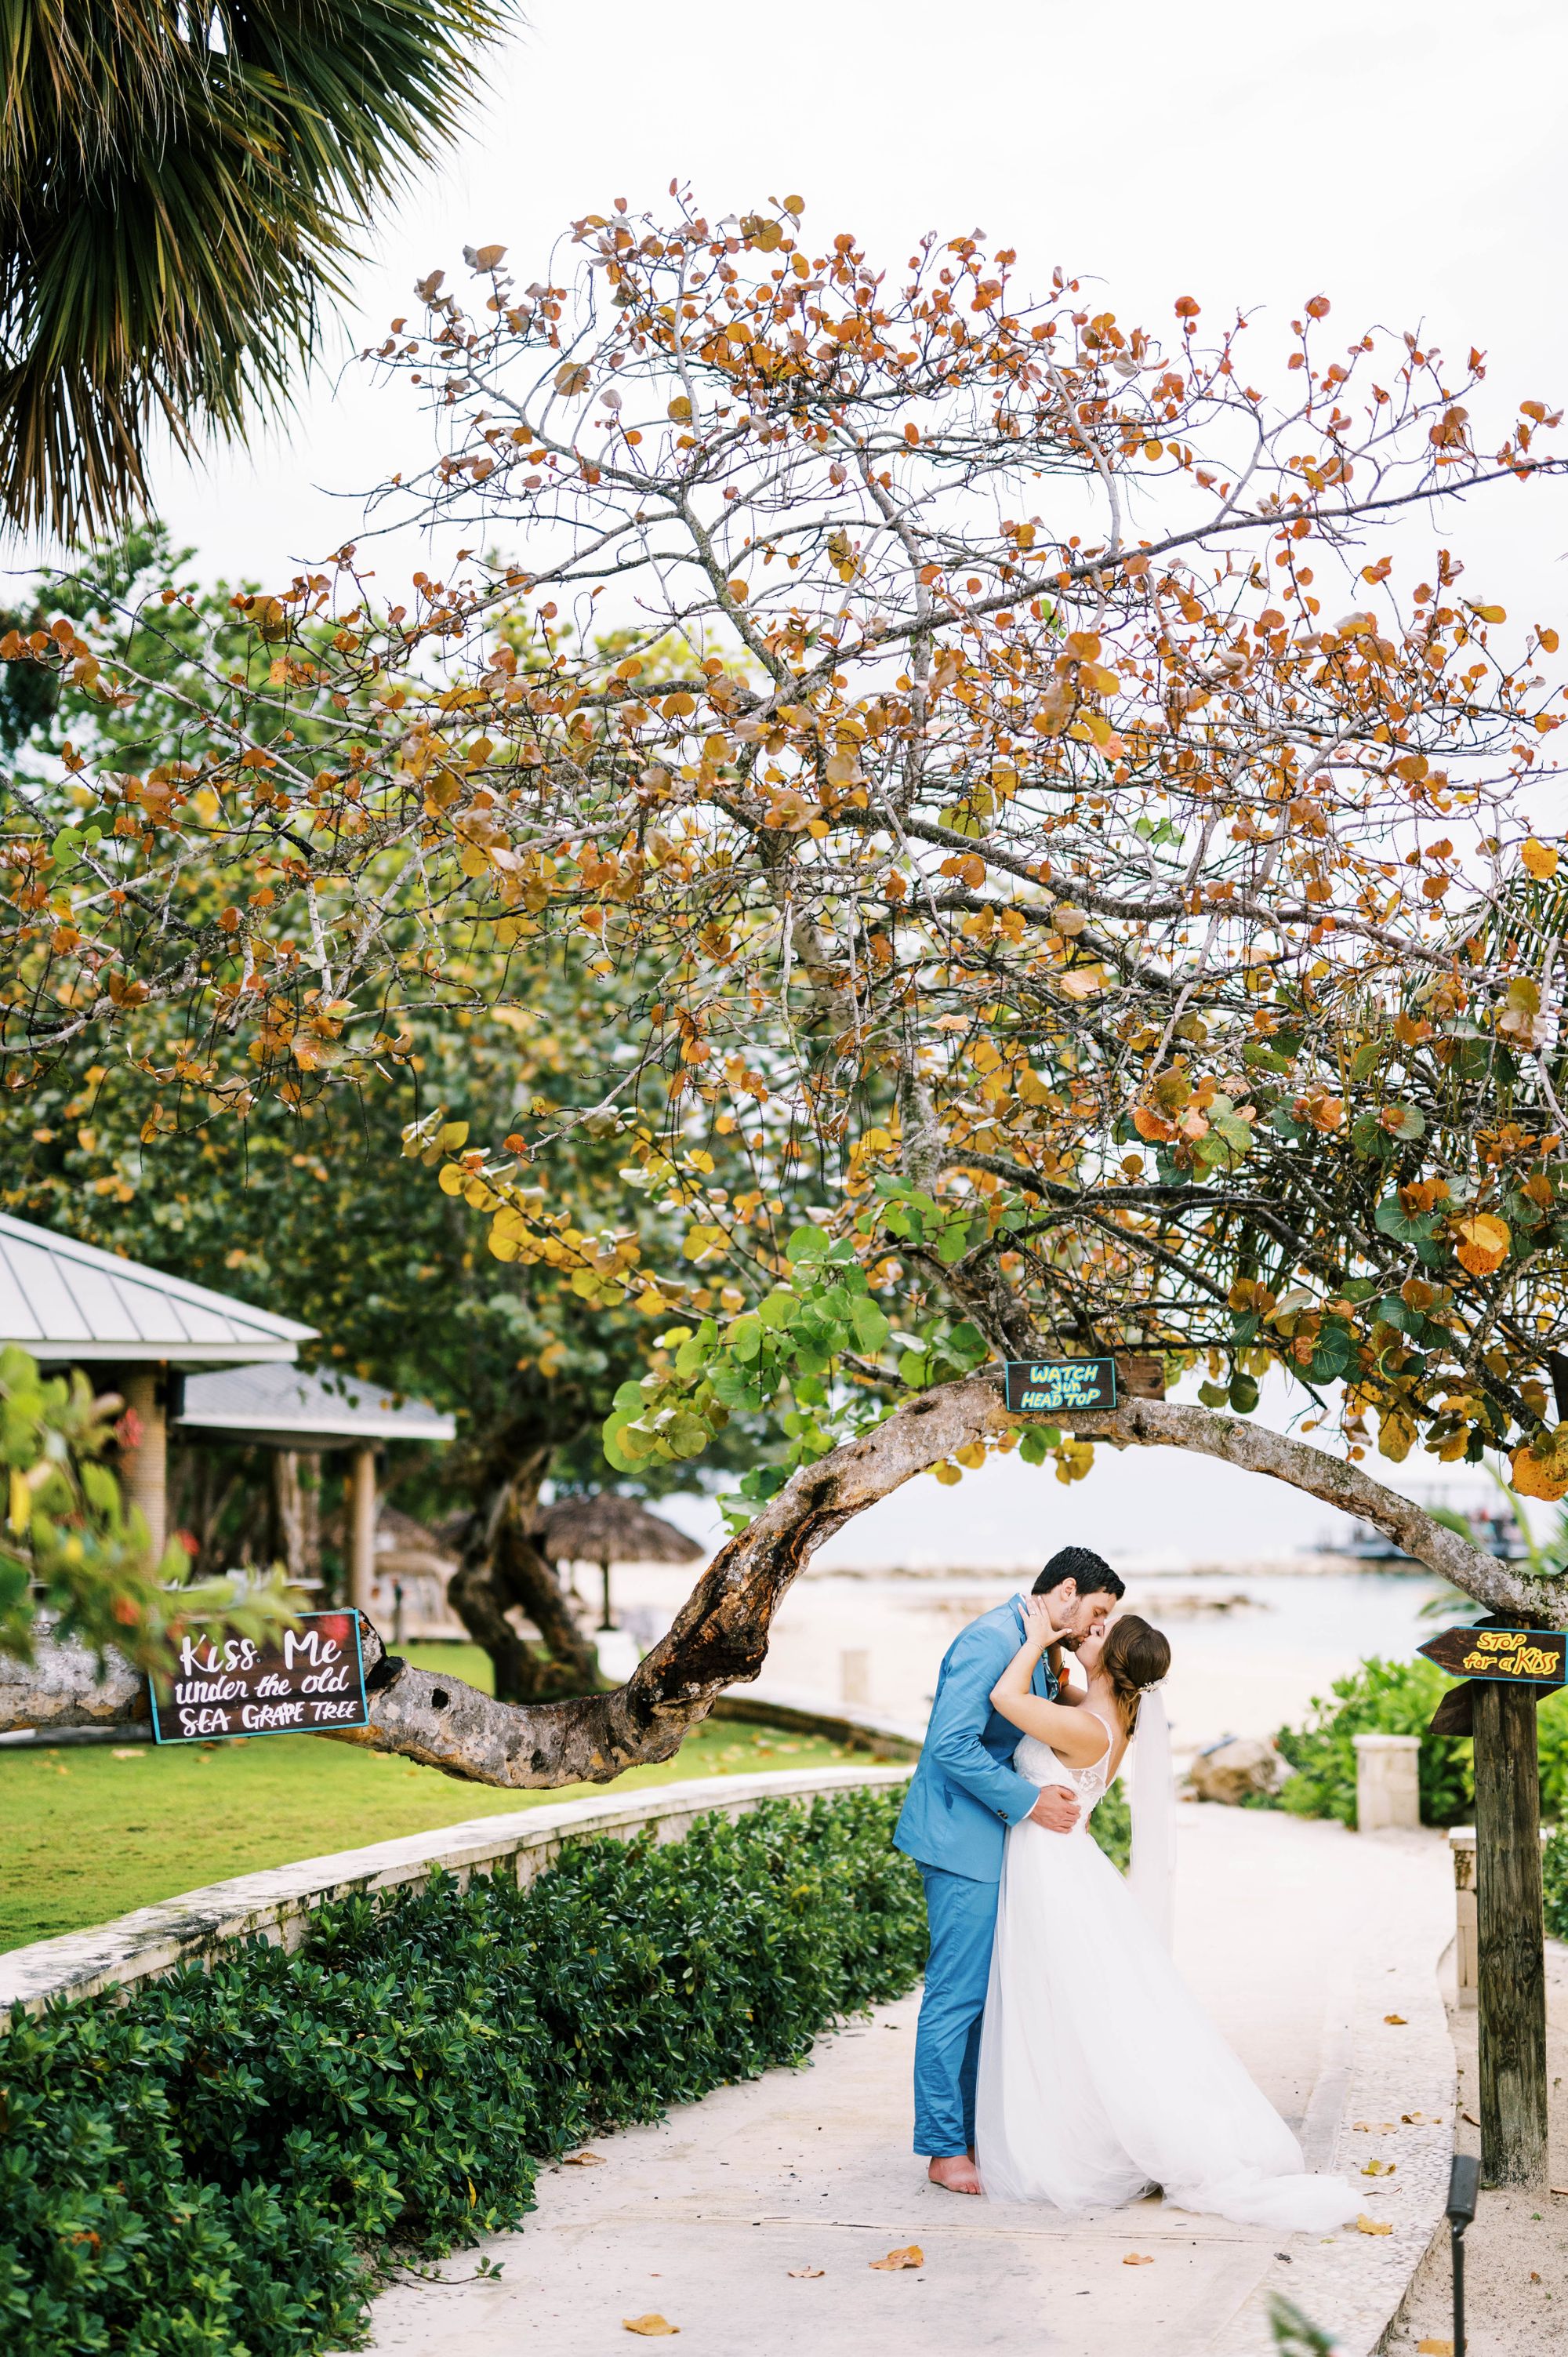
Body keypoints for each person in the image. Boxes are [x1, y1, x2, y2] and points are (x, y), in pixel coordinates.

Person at [972, 1598, 1356, 2231]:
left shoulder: (1091, 1727)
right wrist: (1069, 1647)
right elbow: (1060, 1688)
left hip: (1052, 1867)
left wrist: (1038, 1635)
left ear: (1112, 1663)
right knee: (1080, 2006)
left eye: (1099, 1632)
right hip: (1060, 1862)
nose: (1088, 1631)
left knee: (1064, 2000)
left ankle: (1082, 2136)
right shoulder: (1104, 1713)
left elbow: (1008, 1700)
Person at [893, 1545, 1125, 2196]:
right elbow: (951, 1743)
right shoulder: (992, 1638)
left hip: (998, 1839)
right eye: (1096, 1611)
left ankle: (971, 2129)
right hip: (960, 1838)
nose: (1093, 1626)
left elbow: (1067, 1714)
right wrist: (1028, 1802)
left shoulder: (1041, 1640)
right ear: (1068, 1588)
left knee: (989, 1997)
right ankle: (943, 2149)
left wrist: (1096, 1660)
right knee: (957, 1995)